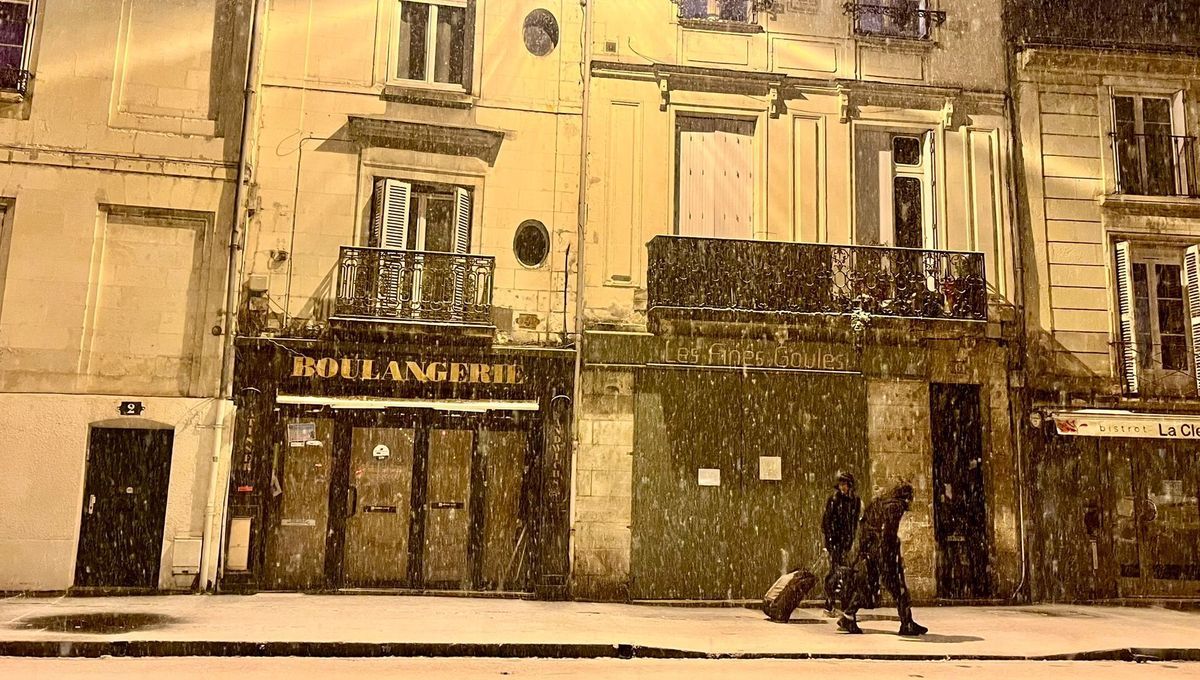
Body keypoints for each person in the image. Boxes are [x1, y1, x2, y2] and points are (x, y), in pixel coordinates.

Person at [838, 482, 928, 637]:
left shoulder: (879, 503)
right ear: (906, 497)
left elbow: (865, 526)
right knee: (898, 587)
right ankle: (907, 624)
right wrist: (890, 552)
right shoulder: (895, 506)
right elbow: (888, 533)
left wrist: (865, 551)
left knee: (869, 585)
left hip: (871, 551)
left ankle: (848, 616)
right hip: (883, 552)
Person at [821, 471, 861, 615]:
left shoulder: (855, 501)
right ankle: (830, 602)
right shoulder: (834, 500)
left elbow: (854, 522)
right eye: (841, 484)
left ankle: (844, 604)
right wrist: (830, 541)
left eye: (845, 484)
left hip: (846, 542)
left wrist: (850, 540)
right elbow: (826, 522)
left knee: (846, 573)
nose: (843, 487)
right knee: (835, 571)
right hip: (835, 542)